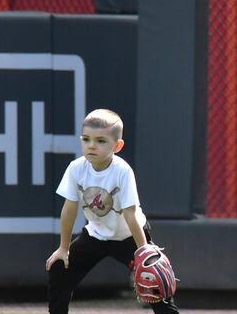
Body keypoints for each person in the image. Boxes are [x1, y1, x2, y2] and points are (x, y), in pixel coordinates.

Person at [46, 109, 178, 313]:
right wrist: (64, 249)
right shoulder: (76, 168)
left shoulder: (122, 171)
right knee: (59, 269)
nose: (91, 145)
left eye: (100, 141)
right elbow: (69, 210)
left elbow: (130, 214)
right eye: (86, 139)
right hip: (95, 235)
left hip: (129, 236)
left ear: (117, 146)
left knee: (155, 284)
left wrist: (143, 251)